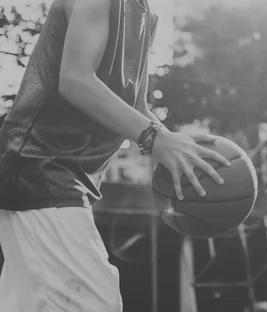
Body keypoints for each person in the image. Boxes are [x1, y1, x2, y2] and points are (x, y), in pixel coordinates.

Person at [0, 0, 229, 311]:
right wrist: (156, 138)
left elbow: (138, 109)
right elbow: (76, 79)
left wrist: (172, 141)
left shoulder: (147, 15)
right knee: (94, 303)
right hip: (39, 169)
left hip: (65, 179)